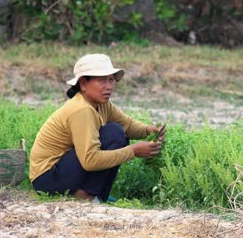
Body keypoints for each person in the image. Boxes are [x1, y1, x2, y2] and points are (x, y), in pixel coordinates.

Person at [29, 53, 166, 203]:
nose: (109, 87)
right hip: (47, 178)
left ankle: (98, 196)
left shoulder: (101, 104)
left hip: (64, 171)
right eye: (102, 81)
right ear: (83, 84)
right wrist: (133, 151)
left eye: (111, 80)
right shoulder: (82, 110)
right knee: (114, 133)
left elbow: (127, 125)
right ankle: (85, 196)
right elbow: (90, 160)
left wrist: (148, 130)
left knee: (118, 133)